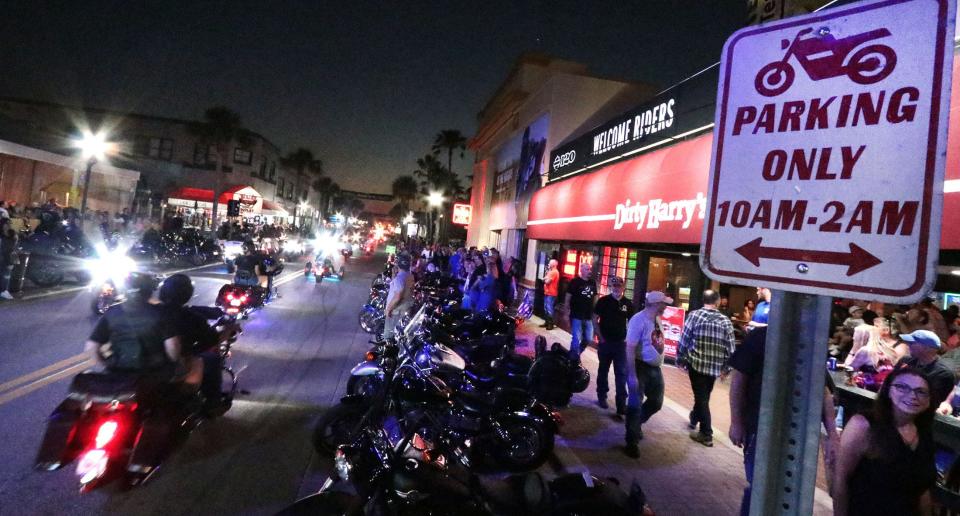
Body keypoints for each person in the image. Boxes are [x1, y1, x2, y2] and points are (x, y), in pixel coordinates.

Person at [729, 327, 840, 516]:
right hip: (760, 429)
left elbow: (823, 391)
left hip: (800, 436)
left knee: (790, 490)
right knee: (760, 487)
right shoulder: (761, 337)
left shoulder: (810, 338)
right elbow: (739, 380)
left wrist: (833, 435)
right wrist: (736, 422)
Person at [833, 368, 936, 516]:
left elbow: (922, 490)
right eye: (902, 387)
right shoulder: (863, 425)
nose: (912, 395)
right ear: (887, 390)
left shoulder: (924, 432)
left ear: (929, 401)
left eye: (921, 392)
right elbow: (841, 479)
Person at [159, 274, 236, 414]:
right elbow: (213, 340)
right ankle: (213, 402)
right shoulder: (191, 318)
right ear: (187, 293)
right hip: (175, 364)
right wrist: (229, 330)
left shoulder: (153, 311)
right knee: (212, 358)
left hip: (150, 362)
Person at [85, 274, 184, 383]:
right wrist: (176, 363)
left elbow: (91, 347)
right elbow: (173, 346)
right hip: (154, 372)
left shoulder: (111, 312)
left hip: (119, 372)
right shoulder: (161, 312)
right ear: (149, 291)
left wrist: (105, 365)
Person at [678, 289, 736, 447]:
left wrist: (680, 357)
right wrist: (727, 368)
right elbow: (731, 349)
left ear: (703, 300)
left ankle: (706, 433)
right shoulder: (725, 321)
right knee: (703, 396)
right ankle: (694, 417)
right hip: (714, 368)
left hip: (696, 365)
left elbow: (684, 338)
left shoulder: (695, 316)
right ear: (717, 302)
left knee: (701, 398)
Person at [623, 290, 671, 458]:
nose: (666, 306)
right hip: (640, 366)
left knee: (656, 402)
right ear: (656, 304)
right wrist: (632, 375)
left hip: (654, 368)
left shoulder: (656, 319)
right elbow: (629, 348)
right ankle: (632, 441)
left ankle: (635, 426)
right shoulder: (639, 320)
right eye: (664, 303)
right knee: (635, 404)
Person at [593, 276, 634, 419]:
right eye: (614, 286)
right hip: (605, 343)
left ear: (623, 287)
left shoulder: (628, 304)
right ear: (611, 287)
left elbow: (632, 323)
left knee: (621, 374)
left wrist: (629, 339)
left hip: (620, 345)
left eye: (619, 286)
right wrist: (600, 337)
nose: (617, 288)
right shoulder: (604, 301)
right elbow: (594, 319)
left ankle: (621, 405)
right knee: (603, 370)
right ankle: (602, 395)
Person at [899, 329, 956, 407]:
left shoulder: (943, 374)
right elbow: (889, 382)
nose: (908, 345)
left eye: (912, 343)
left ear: (926, 348)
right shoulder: (905, 360)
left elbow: (930, 401)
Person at [565, 262, 598, 362]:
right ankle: (573, 359)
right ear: (581, 270)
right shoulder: (575, 282)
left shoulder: (592, 283)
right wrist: (566, 312)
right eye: (587, 269)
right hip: (576, 314)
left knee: (588, 338)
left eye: (590, 269)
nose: (589, 271)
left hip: (588, 316)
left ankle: (576, 352)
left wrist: (596, 311)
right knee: (576, 338)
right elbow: (568, 297)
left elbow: (595, 297)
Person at [384, 254, 415, 340]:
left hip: (395, 312)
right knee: (398, 335)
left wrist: (388, 309)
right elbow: (411, 289)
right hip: (405, 310)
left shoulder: (400, 278)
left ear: (399, 264)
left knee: (389, 336)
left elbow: (398, 296)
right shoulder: (410, 276)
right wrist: (394, 275)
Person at [0, 217, 18, 300]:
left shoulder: (12, 234)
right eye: (6, 224)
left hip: (8, 256)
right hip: (2, 255)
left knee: (6, 274)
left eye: (9, 224)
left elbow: (13, 247)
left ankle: (4, 290)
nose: (8, 225)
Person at [541, 259, 559, 330]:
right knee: (546, 308)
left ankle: (550, 324)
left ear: (553, 264)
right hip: (547, 292)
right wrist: (545, 278)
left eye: (549, 263)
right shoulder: (550, 271)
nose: (548, 264)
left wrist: (544, 279)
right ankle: (547, 322)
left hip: (551, 293)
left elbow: (547, 281)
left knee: (549, 309)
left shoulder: (554, 272)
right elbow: (545, 279)